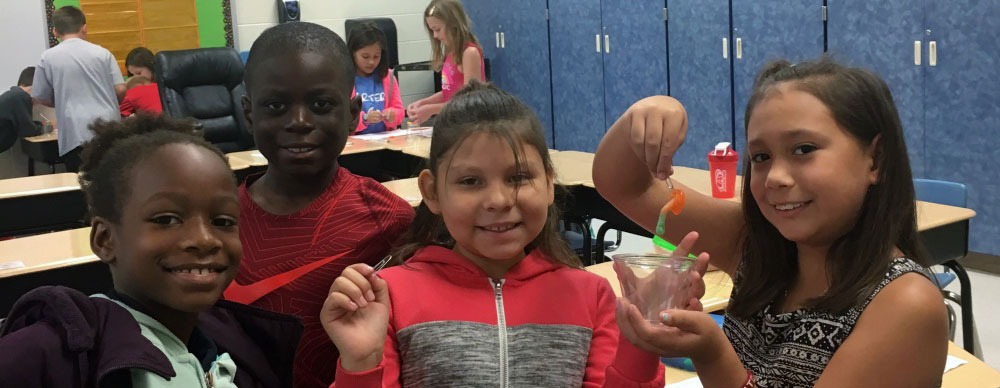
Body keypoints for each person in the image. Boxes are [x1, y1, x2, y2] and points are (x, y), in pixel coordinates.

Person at [321, 81, 710, 387]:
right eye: (471, 181)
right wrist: (360, 363)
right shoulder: (391, 296)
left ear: (549, 183)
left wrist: (641, 341)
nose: (498, 200)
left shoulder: (591, 297)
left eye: (519, 177)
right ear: (432, 192)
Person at [594, 58, 948, 387]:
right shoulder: (757, 244)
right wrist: (645, 114)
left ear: (876, 160)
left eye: (804, 149)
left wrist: (713, 354)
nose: (775, 176)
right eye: (760, 157)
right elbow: (622, 184)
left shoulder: (904, 304)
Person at [0, 114, 301, 388]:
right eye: (166, 220)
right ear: (105, 240)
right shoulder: (58, 353)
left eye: (222, 221)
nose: (205, 239)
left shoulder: (241, 347)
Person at [231, 22, 415, 388]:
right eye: (276, 105)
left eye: (320, 105)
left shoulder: (390, 221)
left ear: (351, 113)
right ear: (250, 114)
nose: (299, 122)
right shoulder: (215, 218)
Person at [31, 6, 125, 172]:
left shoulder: (48, 57)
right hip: (109, 128)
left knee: (80, 183)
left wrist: (62, 101)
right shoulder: (103, 53)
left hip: (74, 131)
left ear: (55, 32)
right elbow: (120, 89)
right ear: (84, 27)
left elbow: (40, 96)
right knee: (113, 182)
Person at [405, 0, 485, 125]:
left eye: (437, 29)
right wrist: (424, 103)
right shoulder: (450, 53)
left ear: (453, 25)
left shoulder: (470, 53)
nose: (435, 36)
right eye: (432, 31)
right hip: (453, 122)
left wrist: (431, 109)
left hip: (470, 125)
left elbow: (469, 101)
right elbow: (449, 92)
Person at [348, 22, 403, 134]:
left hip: (384, 140)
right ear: (353, 53)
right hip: (356, 143)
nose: (371, 62)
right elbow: (343, 118)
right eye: (365, 56)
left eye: (376, 56)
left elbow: (400, 111)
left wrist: (393, 115)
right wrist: (364, 119)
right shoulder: (345, 79)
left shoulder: (388, 77)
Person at [0, 67, 41, 154]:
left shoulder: (13, 95)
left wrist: (38, 124)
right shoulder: (20, 97)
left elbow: (25, 125)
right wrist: (48, 126)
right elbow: (28, 131)